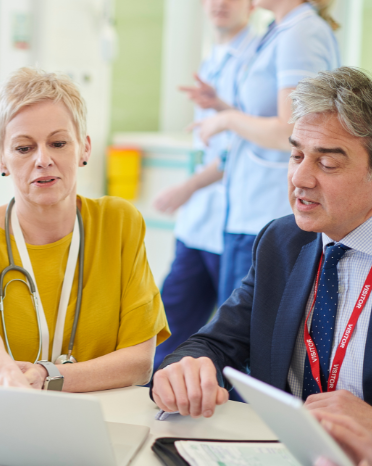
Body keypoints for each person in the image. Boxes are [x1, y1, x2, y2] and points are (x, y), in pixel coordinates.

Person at [151, 68, 372, 454]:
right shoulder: (282, 241)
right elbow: (216, 342)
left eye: (327, 164)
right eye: (296, 155)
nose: (301, 178)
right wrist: (183, 369)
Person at [0, 68, 170, 391]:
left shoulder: (119, 223)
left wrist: (46, 376)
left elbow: (140, 363)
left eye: (59, 143)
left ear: (85, 148)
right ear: (1, 160)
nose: (43, 159)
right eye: (23, 148)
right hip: (5, 410)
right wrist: (2, 372)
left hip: (99, 415)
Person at [191, 0, 340, 306]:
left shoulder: (302, 32)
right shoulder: (278, 30)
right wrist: (221, 106)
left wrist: (227, 119)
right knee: (231, 335)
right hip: (246, 210)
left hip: (268, 212)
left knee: (244, 341)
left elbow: (293, 130)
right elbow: (268, 117)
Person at [152, 0, 256, 371]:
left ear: (252, 4)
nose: (219, 4)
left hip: (231, 226)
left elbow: (243, 148)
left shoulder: (254, 61)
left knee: (226, 343)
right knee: (167, 328)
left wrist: (188, 187)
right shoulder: (213, 60)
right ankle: (156, 399)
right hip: (198, 224)